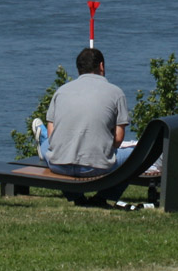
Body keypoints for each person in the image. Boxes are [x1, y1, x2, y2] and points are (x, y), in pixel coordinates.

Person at [31, 47, 132, 208]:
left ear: (78, 69)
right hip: (96, 168)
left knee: (47, 143)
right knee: (135, 155)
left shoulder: (61, 91)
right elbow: (118, 140)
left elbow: (53, 135)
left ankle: (77, 198)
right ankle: (102, 198)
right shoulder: (116, 93)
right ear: (101, 66)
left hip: (59, 165)